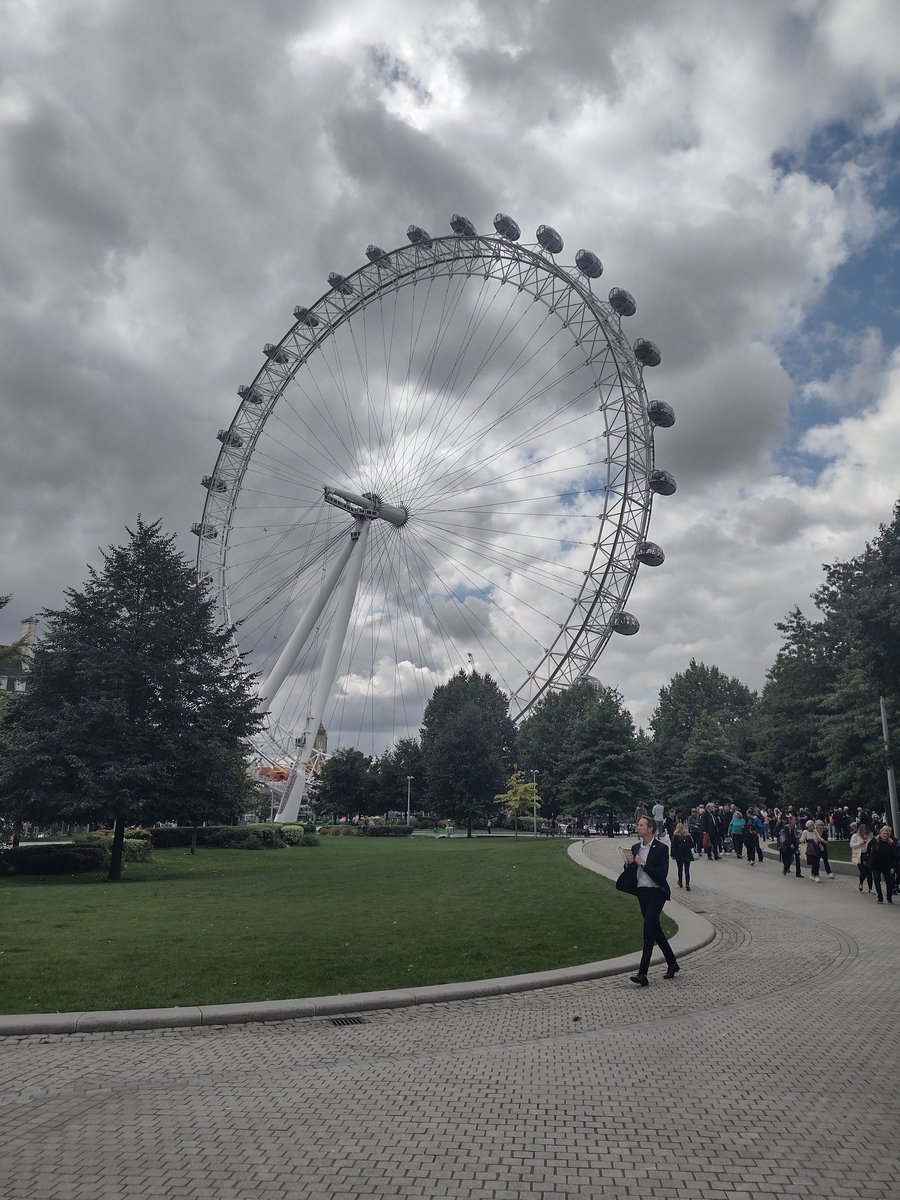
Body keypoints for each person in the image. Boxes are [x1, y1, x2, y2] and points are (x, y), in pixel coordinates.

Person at [627, 816, 679, 986]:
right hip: (642, 892)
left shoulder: (661, 848)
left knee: (648, 931)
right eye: (638, 825)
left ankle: (643, 973)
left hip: (656, 893)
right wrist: (629, 864)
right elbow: (633, 872)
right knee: (656, 931)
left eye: (641, 825)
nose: (638, 827)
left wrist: (643, 864)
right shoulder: (635, 847)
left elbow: (661, 874)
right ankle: (672, 963)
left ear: (650, 829)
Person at [868, 827, 894, 904]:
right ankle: (880, 897)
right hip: (875, 865)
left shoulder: (890, 843)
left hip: (886, 865)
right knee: (876, 880)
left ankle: (889, 897)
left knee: (889, 882)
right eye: (883, 833)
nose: (885, 835)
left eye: (886, 834)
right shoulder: (875, 841)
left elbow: (893, 856)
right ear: (880, 834)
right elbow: (869, 847)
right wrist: (869, 858)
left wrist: (892, 866)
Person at [670, 822, 694, 891]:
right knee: (687, 870)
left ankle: (680, 882)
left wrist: (672, 854)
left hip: (679, 855)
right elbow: (692, 845)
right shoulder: (687, 835)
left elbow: (673, 846)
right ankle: (687, 884)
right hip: (687, 854)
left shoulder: (675, 836)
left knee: (680, 869)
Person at [850, 823, 873, 894]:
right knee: (863, 872)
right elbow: (852, 845)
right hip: (859, 854)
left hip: (868, 854)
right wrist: (860, 844)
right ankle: (861, 882)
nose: (864, 832)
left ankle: (870, 888)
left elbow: (872, 844)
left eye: (865, 830)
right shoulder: (855, 836)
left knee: (869, 872)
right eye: (862, 830)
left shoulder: (869, 836)